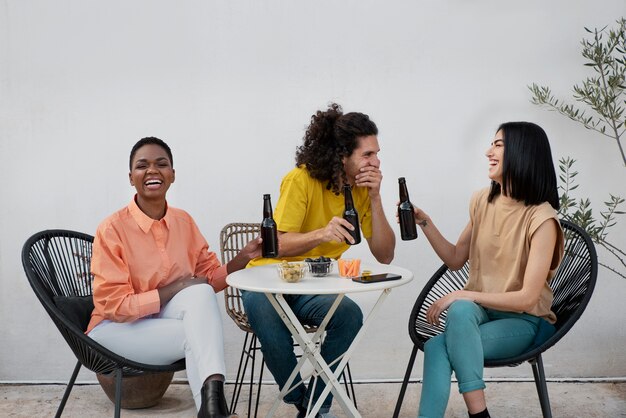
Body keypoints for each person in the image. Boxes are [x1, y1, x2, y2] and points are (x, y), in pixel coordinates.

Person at [86, 137, 261, 418]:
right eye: (142, 166)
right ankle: (215, 410)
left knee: (200, 298)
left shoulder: (184, 222)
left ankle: (213, 410)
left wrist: (243, 259)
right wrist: (178, 286)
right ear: (131, 178)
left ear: (173, 174)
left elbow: (206, 281)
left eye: (162, 164)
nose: (152, 170)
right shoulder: (112, 229)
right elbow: (114, 306)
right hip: (114, 330)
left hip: (161, 322)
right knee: (201, 334)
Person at [242, 103, 396, 417]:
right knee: (262, 308)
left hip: (315, 286)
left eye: (376, 153)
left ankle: (316, 404)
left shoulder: (362, 190)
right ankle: (302, 398)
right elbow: (277, 245)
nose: (376, 161)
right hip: (270, 279)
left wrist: (377, 197)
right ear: (343, 155)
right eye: (367, 154)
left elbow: (385, 254)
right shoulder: (301, 180)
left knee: (349, 315)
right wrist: (321, 235)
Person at [407, 122, 564, 418]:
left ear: (522, 152)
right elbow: (455, 259)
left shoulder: (541, 219)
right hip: (480, 316)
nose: (488, 152)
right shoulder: (482, 200)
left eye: (498, 145)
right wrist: (425, 222)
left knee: (439, 346)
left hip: (524, 322)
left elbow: (527, 298)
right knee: (460, 310)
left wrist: (464, 294)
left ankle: (477, 414)